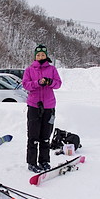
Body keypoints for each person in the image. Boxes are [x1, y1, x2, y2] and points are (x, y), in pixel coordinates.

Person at [22, 44, 62, 173]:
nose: (40, 57)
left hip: (49, 106)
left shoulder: (52, 69)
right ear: (35, 56)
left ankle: (44, 161)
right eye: (38, 55)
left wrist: (50, 82)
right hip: (34, 106)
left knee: (45, 136)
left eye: (43, 55)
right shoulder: (29, 70)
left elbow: (58, 84)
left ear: (46, 56)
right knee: (33, 137)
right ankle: (32, 162)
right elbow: (26, 85)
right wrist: (38, 83)